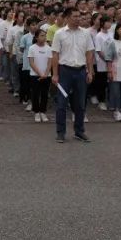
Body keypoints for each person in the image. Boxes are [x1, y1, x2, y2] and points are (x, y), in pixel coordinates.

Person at [51, 7, 93, 142]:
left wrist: (90, 71)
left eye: (79, 16)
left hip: (81, 71)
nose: (78, 19)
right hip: (64, 72)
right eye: (75, 16)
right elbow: (55, 54)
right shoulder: (59, 34)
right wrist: (55, 74)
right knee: (61, 104)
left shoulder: (86, 33)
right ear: (67, 18)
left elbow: (89, 53)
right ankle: (60, 132)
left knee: (80, 104)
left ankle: (79, 131)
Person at [26, 29, 53, 122]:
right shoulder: (32, 48)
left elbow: (50, 62)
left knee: (45, 94)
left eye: (45, 36)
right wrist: (40, 73)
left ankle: (43, 112)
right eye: (42, 35)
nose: (44, 37)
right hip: (35, 75)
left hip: (46, 76)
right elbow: (31, 63)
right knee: (35, 94)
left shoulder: (48, 48)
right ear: (36, 37)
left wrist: (46, 74)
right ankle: (36, 112)